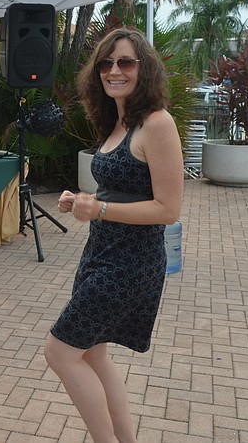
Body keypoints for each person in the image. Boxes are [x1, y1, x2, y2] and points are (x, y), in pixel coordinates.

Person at [46, 27, 183, 443]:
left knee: (61, 352)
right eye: (106, 63)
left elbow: (168, 209)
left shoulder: (157, 123)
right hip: (100, 254)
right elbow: (124, 188)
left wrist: (101, 208)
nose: (114, 70)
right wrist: (84, 199)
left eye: (125, 62)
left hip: (131, 263)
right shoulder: (119, 121)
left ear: (146, 68)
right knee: (92, 353)